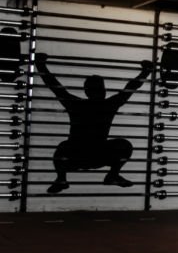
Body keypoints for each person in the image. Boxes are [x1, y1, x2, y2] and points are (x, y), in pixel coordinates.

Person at [35, 53, 153, 194]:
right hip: (94, 156)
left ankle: (63, 179)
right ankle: (110, 175)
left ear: (86, 91)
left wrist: (40, 64)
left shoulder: (76, 104)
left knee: (64, 147)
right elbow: (130, 88)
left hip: (79, 157)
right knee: (124, 145)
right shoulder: (108, 104)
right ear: (103, 90)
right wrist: (146, 71)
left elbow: (54, 86)